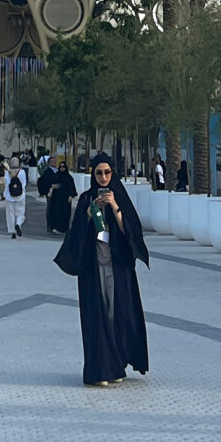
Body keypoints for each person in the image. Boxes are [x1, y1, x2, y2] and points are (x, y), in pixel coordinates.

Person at [55, 155, 148, 385]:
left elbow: (132, 234)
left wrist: (115, 208)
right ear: (93, 175)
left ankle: (117, 365)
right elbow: (75, 236)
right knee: (97, 316)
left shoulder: (121, 198)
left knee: (118, 315)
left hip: (118, 269)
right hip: (93, 268)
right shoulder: (87, 199)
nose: (104, 177)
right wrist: (89, 213)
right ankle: (100, 370)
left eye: (107, 172)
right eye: (99, 173)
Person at [45, 159, 75, 236]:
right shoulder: (57, 176)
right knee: (55, 212)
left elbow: (71, 187)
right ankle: (55, 227)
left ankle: (64, 228)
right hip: (56, 198)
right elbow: (51, 183)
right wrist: (53, 187)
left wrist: (71, 195)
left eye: (63, 167)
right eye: (60, 167)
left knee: (65, 214)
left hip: (65, 199)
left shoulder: (69, 177)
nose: (62, 168)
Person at [4, 159, 28, 237]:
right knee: (20, 212)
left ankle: (12, 232)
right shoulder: (22, 172)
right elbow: (23, 184)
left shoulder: (7, 173)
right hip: (20, 195)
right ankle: (18, 224)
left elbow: (7, 184)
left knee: (10, 214)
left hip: (9, 195)